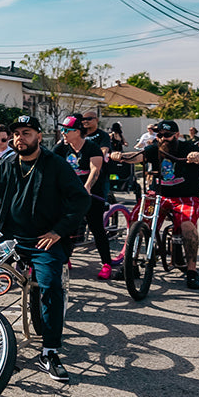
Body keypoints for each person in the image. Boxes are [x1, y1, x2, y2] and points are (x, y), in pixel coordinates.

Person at [0, 115, 90, 382]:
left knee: (50, 285)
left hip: (44, 240)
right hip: (10, 237)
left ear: (39, 136)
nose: (20, 138)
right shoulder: (5, 164)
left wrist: (58, 231)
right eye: (16, 133)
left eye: (26, 133)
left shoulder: (56, 165)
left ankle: (49, 352)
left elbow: (80, 200)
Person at [113, 120, 199, 290]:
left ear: (176, 135)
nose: (163, 138)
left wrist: (197, 157)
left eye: (167, 135)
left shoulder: (188, 147)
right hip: (159, 194)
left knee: (188, 226)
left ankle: (192, 271)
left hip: (187, 196)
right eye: (159, 135)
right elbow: (137, 157)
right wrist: (120, 156)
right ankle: (132, 263)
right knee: (138, 220)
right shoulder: (153, 149)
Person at [54, 114, 112, 279]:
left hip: (91, 194)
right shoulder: (61, 148)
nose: (63, 132)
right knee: (63, 226)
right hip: (68, 195)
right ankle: (65, 258)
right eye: (62, 129)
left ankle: (106, 264)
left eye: (67, 130)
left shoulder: (92, 147)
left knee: (96, 228)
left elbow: (95, 170)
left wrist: (86, 187)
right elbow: (49, 165)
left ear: (78, 131)